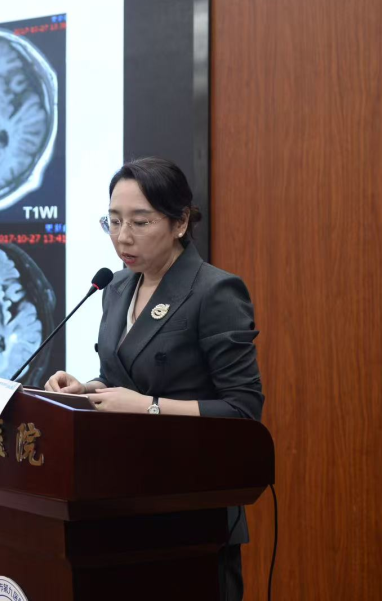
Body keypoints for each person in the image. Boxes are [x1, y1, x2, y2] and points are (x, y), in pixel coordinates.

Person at [44, 156, 263, 601]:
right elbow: (122, 377)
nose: (123, 237)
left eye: (140, 222)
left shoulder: (214, 292)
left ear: (180, 222)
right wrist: (88, 389)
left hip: (191, 514)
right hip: (118, 504)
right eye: (113, 221)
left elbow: (243, 410)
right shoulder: (116, 287)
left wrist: (151, 408)